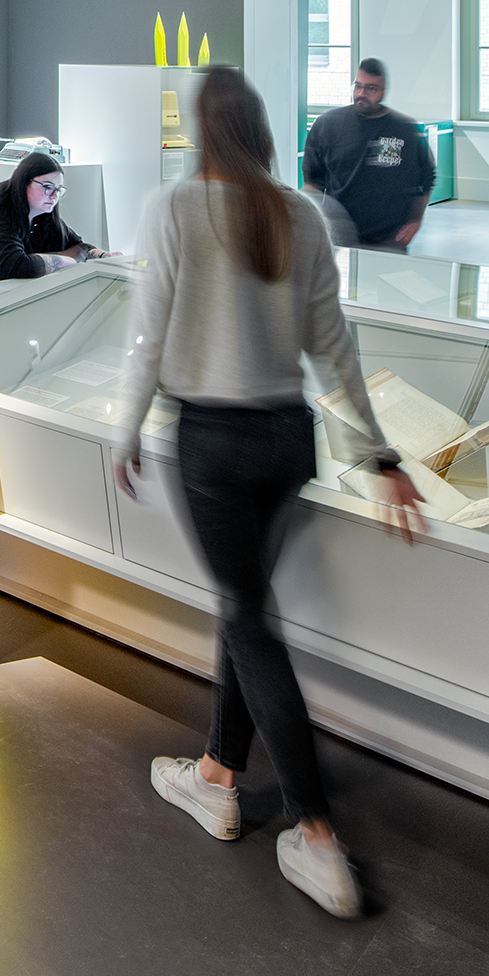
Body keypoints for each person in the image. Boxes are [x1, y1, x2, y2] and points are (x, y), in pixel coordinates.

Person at [112, 67, 424, 920]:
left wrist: (126, 427)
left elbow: (148, 332)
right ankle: (217, 773)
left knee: (249, 616)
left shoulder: (174, 208)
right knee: (242, 603)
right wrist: (379, 453)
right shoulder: (300, 213)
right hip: (288, 440)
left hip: (211, 444)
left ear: (200, 131)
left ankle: (315, 830)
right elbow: (335, 347)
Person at [0, 153, 115, 314]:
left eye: (58, 190)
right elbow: (14, 266)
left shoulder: (43, 213)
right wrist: (64, 260)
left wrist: (101, 255)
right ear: (25, 183)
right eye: (47, 186)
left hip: (5, 302)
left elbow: (76, 245)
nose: (53, 196)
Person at [302, 57, 434, 252]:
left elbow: (427, 178)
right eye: (358, 86)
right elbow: (313, 183)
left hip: (389, 240)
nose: (362, 94)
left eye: (371, 88)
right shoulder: (327, 124)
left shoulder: (404, 129)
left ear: (383, 91)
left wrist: (416, 220)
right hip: (340, 237)